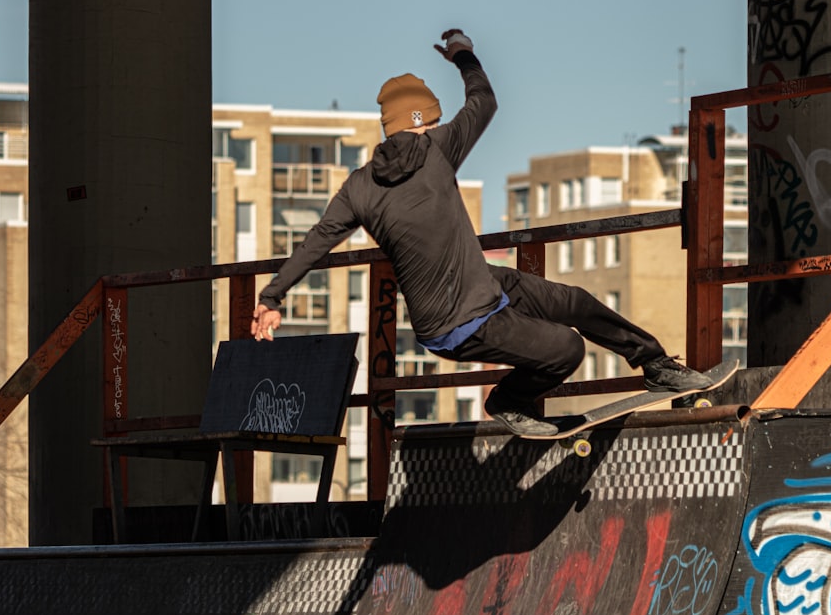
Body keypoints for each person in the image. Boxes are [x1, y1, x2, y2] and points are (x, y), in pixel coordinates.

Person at [252, 29, 713, 436]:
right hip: (460, 324)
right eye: (433, 120)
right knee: (566, 349)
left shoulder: (358, 187)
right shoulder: (438, 147)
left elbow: (316, 240)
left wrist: (272, 299)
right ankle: (507, 401)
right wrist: (462, 54)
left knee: (574, 301)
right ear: (424, 122)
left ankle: (655, 364)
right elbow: (484, 100)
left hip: (480, 289)